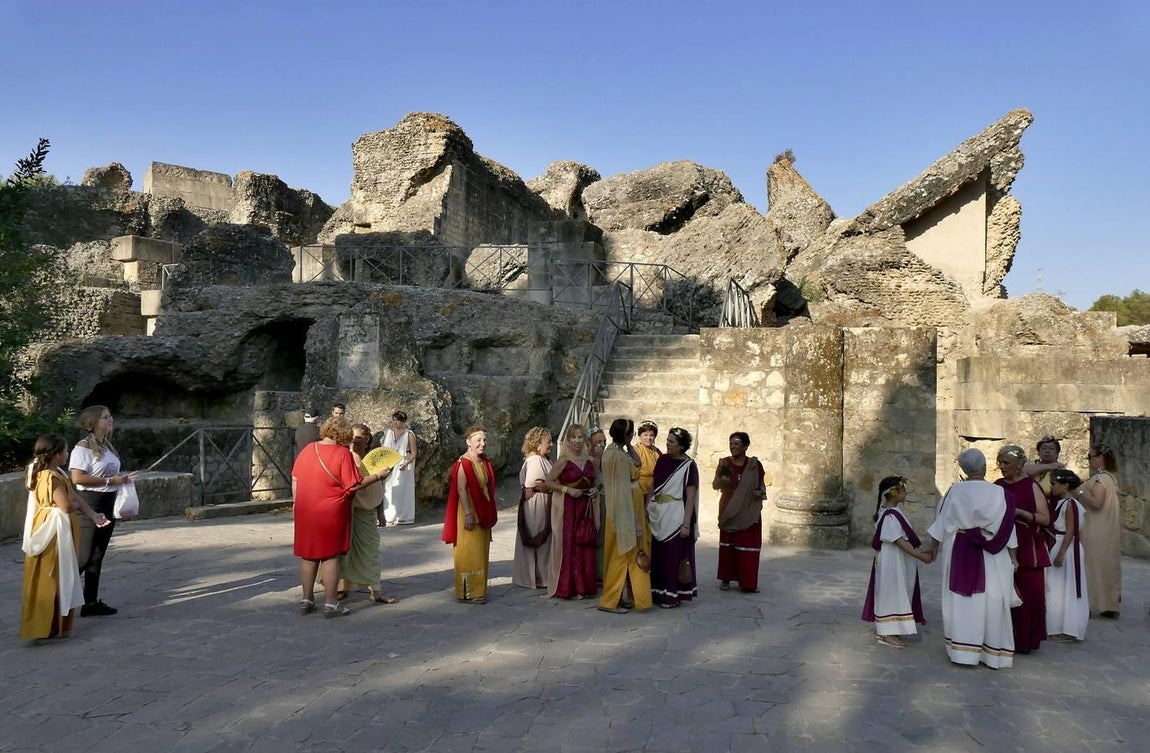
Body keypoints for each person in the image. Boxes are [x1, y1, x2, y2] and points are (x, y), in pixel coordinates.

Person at [923, 449, 1019, 669]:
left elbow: (941, 521)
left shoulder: (955, 492)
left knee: (963, 601)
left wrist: (933, 547)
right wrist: (1014, 556)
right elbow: (1008, 528)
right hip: (994, 553)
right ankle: (993, 653)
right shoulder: (1000, 493)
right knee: (994, 600)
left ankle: (963, 652)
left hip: (961, 549)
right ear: (985, 467)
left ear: (964, 470)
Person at [292, 416, 384, 617]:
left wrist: (296, 504)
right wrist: (378, 476)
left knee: (308, 555)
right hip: (331, 511)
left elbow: (296, 478)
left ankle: (306, 599)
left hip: (305, 509)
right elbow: (354, 484)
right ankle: (331, 604)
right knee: (330, 556)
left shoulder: (309, 449)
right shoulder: (342, 454)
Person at [21, 435, 110, 640]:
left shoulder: (54, 472)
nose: (68, 454)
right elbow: (66, 504)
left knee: (49, 573)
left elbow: (73, 495)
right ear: (56, 454)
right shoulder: (50, 477)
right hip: (52, 530)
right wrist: (77, 507)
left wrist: (93, 515)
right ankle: (47, 624)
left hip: (45, 524)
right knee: (53, 574)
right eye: (66, 450)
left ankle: (48, 623)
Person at [69, 405, 138, 617]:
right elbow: (77, 478)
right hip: (90, 503)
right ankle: (55, 597)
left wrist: (123, 480)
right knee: (84, 556)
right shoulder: (83, 448)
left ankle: (90, 602)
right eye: (105, 417)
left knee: (98, 555)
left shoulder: (106, 446)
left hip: (108, 501)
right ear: (93, 421)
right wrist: (111, 480)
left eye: (110, 416)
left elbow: (109, 473)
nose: (110, 420)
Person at [861, 476, 929, 648]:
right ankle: (887, 633)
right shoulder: (890, 515)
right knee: (892, 592)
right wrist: (919, 555)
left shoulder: (894, 511)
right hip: (893, 560)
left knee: (900, 590)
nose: (905, 492)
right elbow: (899, 540)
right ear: (893, 494)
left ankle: (893, 628)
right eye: (903, 489)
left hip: (898, 560)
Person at [996, 444, 1051, 654]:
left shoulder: (1031, 486)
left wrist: (1021, 513)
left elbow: (1045, 519)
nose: (1001, 467)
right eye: (999, 463)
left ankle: (1024, 640)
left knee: (1027, 595)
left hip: (1027, 547)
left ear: (1019, 465)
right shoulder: (998, 485)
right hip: (1002, 545)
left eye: (1006, 463)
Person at [598, 418, 652, 614]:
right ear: (627, 435)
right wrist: (635, 520)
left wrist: (628, 444)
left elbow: (638, 462)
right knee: (621, 553)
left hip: (624, 508)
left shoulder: (613, 452)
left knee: (623, 553)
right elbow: (621, 490)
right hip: (625, 510)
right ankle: (611, 600)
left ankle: (624, 597)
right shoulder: (618, 457)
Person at [338, 424, 396, 604]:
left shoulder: (374, 459)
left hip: (368, 510)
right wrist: (378, 476)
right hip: (348, 510)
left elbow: (378, 488)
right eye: (352, 437)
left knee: (371, 552)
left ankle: (375, 589)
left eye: (359, 437)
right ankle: (340, 587)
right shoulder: (344, 457)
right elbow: (352, 485)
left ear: (367, 439)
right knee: (344, 552)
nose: (355, 440)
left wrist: (381, 512)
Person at [443, 426, 498, 604]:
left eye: (484, 440)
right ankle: (467, 592)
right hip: (469, 510)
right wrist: (468, 513)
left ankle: (479, 589)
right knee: (469, 551)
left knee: (481, 550)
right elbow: (461, 489)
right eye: (478, 440)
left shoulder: (483, 461)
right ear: (468, 442)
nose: (483, 444)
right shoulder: (463, 463)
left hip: (482, 508)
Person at [545, 424, 599, 600]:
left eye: (580, 437)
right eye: (573, 437)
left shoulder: (591, 460)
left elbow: (595, 482)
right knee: (570, 544)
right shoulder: (563, 461)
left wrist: (594, 490)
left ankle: (585, 586)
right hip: (569, 507)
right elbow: (549, 482)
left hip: (586, 506)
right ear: (568, 440)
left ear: (585, 439)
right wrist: (568, 491)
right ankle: (570, 586)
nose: (577, 440)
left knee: (585, 542)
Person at [647, 427, 699, 608]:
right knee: (658, 555)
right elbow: (654, 485)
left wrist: (686, 524)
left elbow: (691, 496)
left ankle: (671, 595)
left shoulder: (688, 465)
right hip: (658, 512)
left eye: (671, 442)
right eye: (667, 441)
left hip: (675, 513)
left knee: (671, 555)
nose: (667, 444)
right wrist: (647, 507)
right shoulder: (662, 459)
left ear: (682, 446)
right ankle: (656, 593)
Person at [713, 431, 766, 593]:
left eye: (736, 444)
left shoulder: (754, 465)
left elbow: (761, 484)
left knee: (747, 546)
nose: (733, 447)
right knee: (728, 546)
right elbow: (715, 485)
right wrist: (723, 481)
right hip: (729, 508)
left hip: (749, 510)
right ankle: (726, 579)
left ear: (745, 446)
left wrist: (760, 493)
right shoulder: (724, 463)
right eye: (731, 443)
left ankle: (748, 583)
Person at [1079, 443, 1121, 618]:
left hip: (1096, 528)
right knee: (1106, 566)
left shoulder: (1101, 479)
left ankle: (1092, 604)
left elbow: (1096, 502)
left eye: (1090, 456)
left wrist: (1078, 490)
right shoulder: (1109, 477)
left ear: (1100, 458)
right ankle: (1109, 605)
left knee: (1092, 566)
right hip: (1105, 528)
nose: (1089, 460)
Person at [1046, 469, 1088, 641]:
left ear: (1066, 485)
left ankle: (1067, 628)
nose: (1052, 487)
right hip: (1060, 544)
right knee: (1056, 588)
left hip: (1066, 548)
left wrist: (1061, 554)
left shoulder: (1070, 504)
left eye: (1054, 484)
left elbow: (1071, 530)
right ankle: (1057, 626)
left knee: (1065, 588)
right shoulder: (1062, 502)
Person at [513, 427, 553, 589]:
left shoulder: (542, 458)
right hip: (537, 503)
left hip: (538, 501)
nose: (550, 444)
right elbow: (533, 484)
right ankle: (539, 576)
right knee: (540, 537)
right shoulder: (535, 460)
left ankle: (537, 575)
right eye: (547, 441)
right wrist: (554, 487)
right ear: (537, 444)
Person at [380, 410, 418, 527]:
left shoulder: (409, 434)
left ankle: (403, 516)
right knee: (389, 488)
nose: (395, 422)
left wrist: (406, 463)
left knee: (402, 490)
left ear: (403, 421)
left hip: (403, 463)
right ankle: (389, 516)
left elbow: (413, 453)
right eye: (394, 419)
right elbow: (384, 449)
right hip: (390, 462)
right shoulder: (389, 433)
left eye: (397, 420)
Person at [588, 426, 608, 582]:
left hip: (605, 499)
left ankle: (602, 571)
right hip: (592, 501)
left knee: (604, 536)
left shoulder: (606, 457)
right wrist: (597, 459)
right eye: (598, 442)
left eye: (604, 441)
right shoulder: (588, 458)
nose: (601, 445)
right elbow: (591, 478)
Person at [1024, 435, 1064, 501]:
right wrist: (1050, 466)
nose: (1047, 451)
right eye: (1043, 448)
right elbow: (1022, 470)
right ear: (1038, 452)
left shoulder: (1060, 470)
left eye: (1051, 448)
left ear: (1057, 453)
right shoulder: (1032, 466)